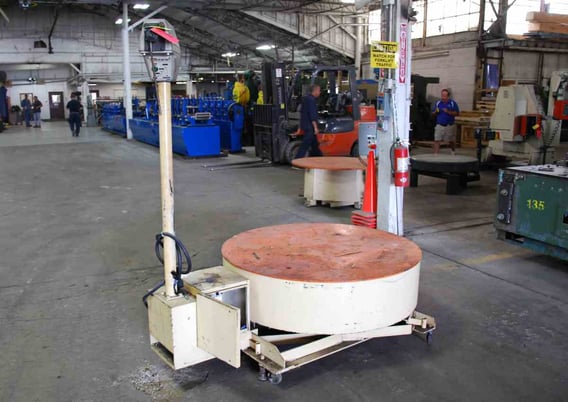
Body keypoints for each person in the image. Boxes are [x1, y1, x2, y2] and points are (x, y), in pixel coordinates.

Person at [295, 84, 323, 159]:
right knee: (305, 145)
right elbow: (312, 115)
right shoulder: (312, 100)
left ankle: (319, 158)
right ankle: (298, 160)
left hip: (305, 125)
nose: (320, 92)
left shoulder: (305, 99)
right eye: (319, 91)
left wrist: (300, 127)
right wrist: (315, 128)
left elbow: (302, 113)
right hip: (310, 127)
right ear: (315, 91)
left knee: (315, 145)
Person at [432, 88, 460, 155]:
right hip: (440, 124)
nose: (443, 97)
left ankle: (453, 151)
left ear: (448, 96)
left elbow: (457, 113)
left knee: (451, 140)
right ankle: (436, 154)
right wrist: (436, 112)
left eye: (445, 96)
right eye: (442, 95)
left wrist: (448, 112)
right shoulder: (438, 103)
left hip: (449, 125)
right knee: (437, 139)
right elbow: (433, 113)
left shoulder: (452, 103)